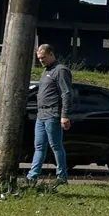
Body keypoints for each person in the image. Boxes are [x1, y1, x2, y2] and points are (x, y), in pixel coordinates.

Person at [26, 43, 73, 184]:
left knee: (56, 146)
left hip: (53, 113)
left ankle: (61, 176)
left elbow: (66, 93)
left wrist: (64, 115)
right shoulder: (45, 71)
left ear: (51, 54)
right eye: (39, 58)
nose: (41, 60)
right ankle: (32, 177)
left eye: (43, 57)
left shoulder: (60, 71)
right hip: (41, 114)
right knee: (39, 146)